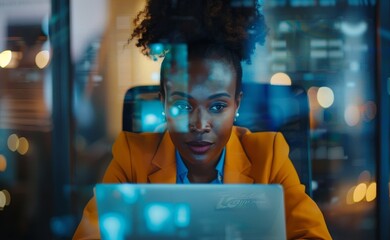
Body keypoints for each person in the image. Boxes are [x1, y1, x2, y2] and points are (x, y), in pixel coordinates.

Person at [73, 0, 332, 239]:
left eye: (218, 106)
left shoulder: (268, 157)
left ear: (236, 105)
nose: (199, 124)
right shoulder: (132, 158)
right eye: (183, 105)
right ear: (163, 102)